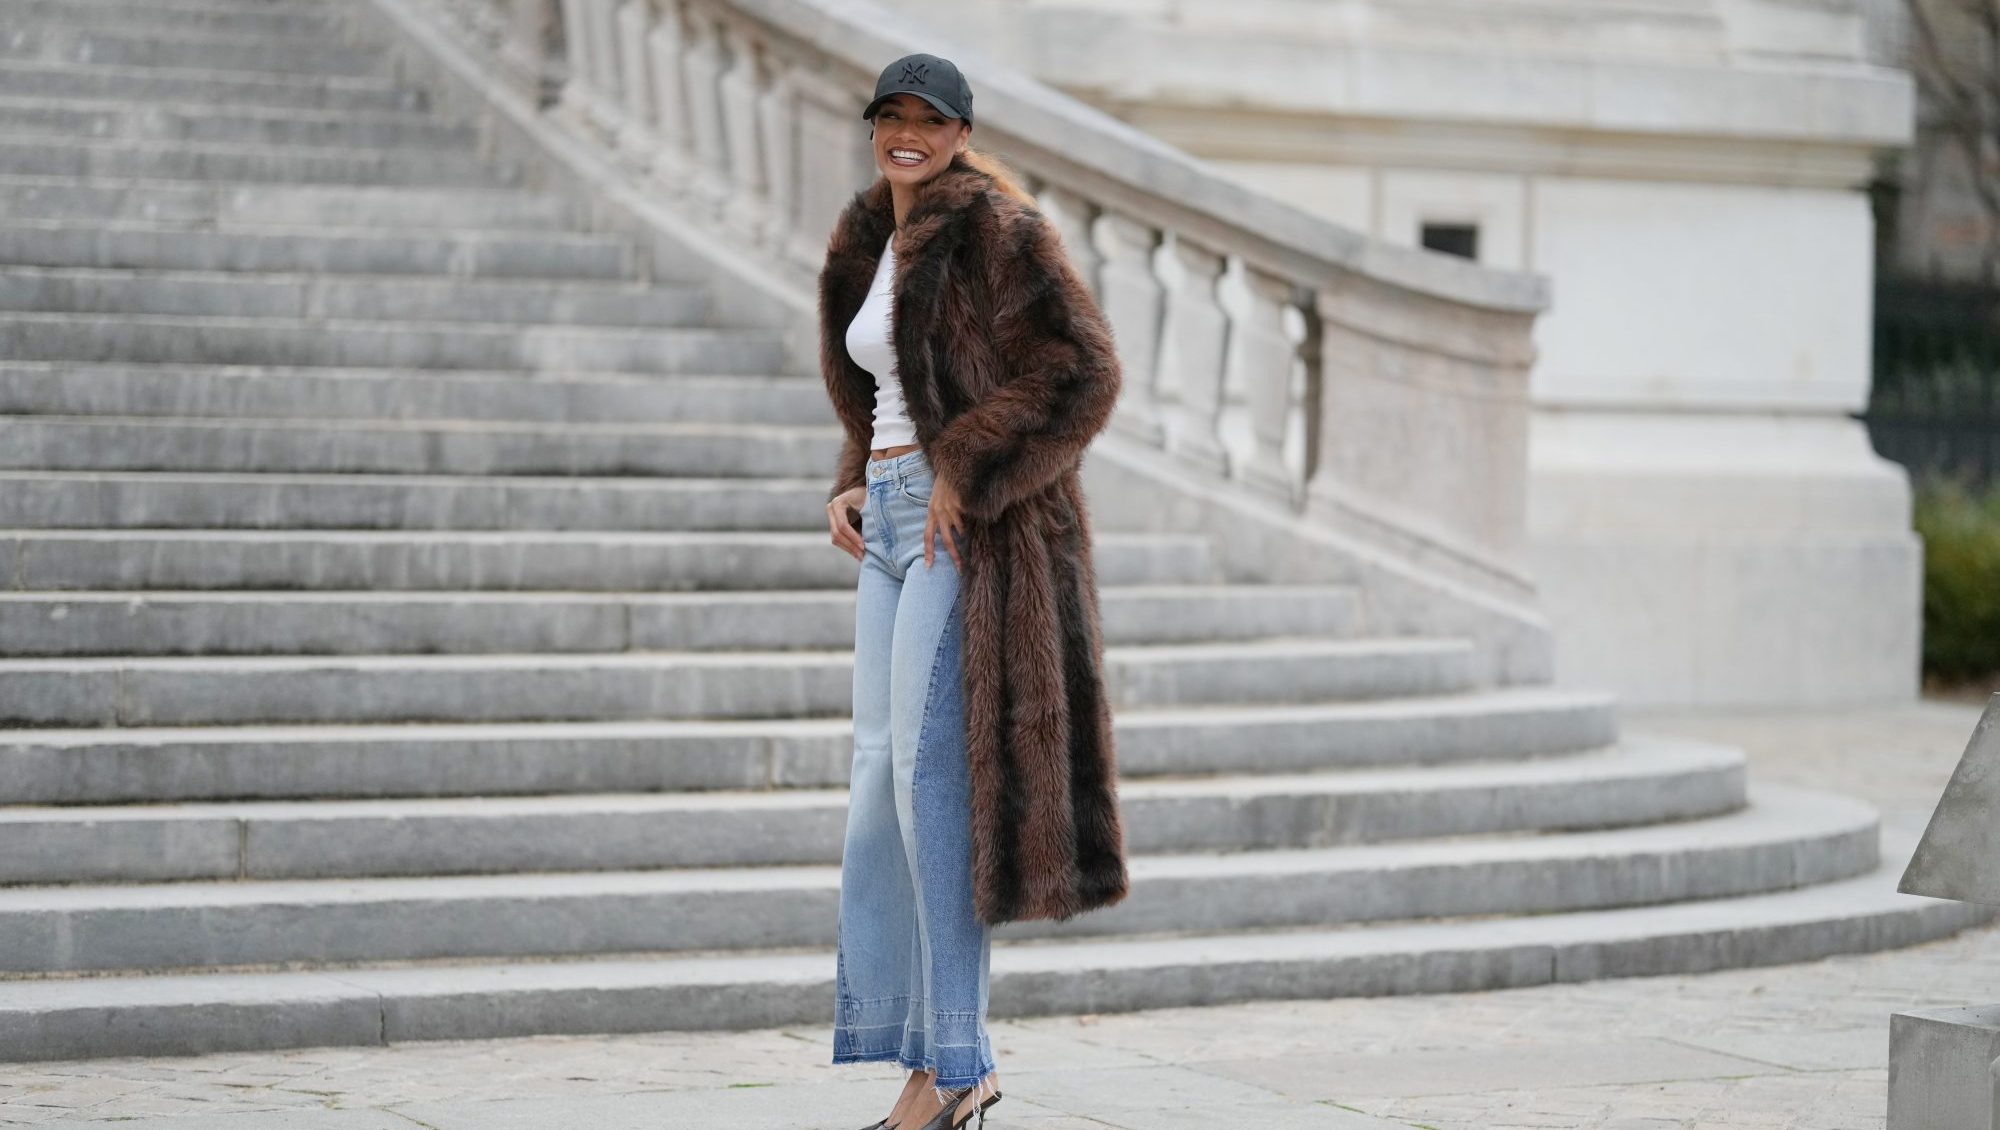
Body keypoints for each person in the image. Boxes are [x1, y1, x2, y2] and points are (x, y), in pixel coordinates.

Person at [818, 51, 1133, 1130]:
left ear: (959, 134)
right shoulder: (866, 236)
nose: (905, 134)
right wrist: (854, 476)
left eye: (928, 119)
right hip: (888, 519)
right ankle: (927, 1060)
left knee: (927, 786)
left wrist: (964, 467)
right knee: (877, 783)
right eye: (890, 116)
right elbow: (883, 386)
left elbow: (1082, 368)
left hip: (963, 529)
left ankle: (958, 1061)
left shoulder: (999, 229)